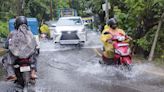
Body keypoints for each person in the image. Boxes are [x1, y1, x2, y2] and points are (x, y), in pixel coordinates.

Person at [2, 16, 37, 81]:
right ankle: (33, 73)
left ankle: (11, 74)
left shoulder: (12, 33)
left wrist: (7, 46)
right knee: (34, 57)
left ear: (16, 24)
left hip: (16, 55)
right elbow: (35, 44)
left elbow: (7, 44)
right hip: (28, 55)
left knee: (7, 60)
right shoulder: (30, 32)